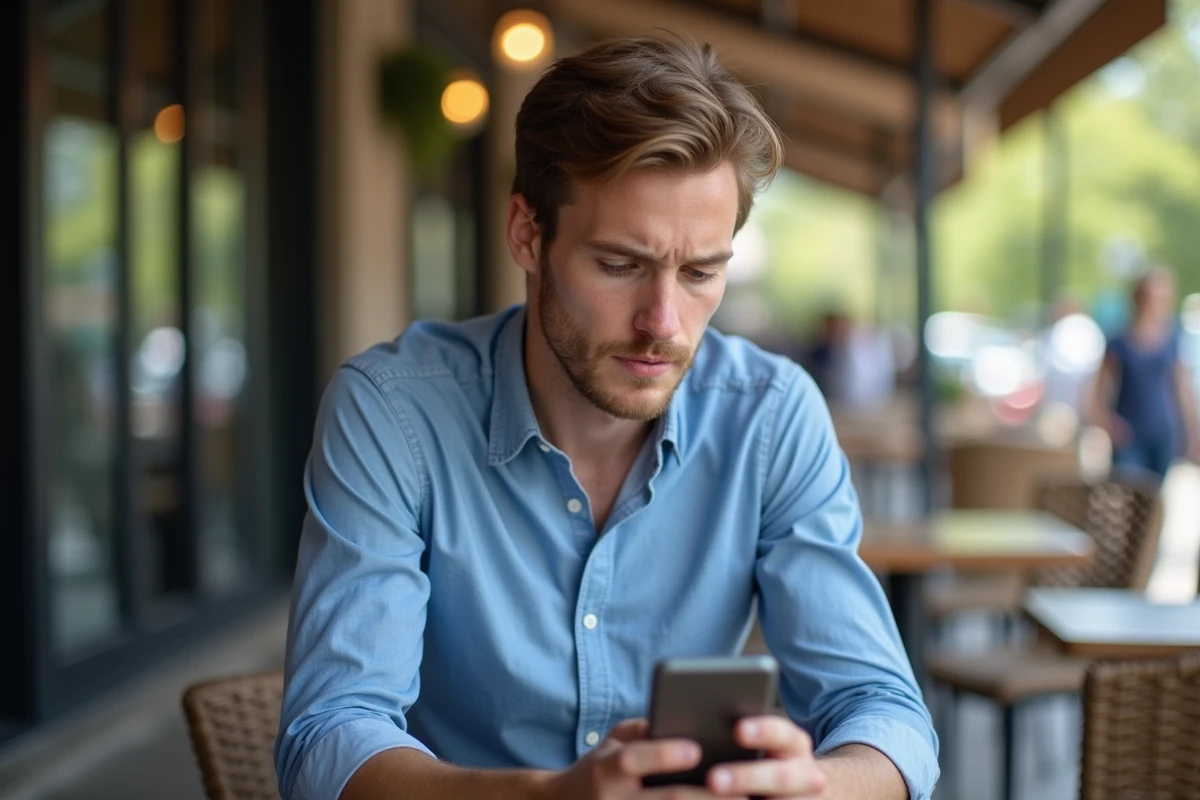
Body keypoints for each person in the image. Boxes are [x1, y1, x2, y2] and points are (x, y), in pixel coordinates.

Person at [275, 35, 938, 800]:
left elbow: (885, 713)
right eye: (621, 265)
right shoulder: (392, 412)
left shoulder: (770, 415)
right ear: (528, 235)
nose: (664, 322)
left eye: (700, 272)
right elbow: (329, 737)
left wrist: (814, 787)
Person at [1088, 266, 1200, 480]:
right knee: (1130, 491)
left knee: (1156, 495)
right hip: (1129, 435)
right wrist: (1107, 424)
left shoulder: (1173, 339)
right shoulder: (1119, 342)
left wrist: (1193, 432)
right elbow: (1097, 392)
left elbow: (1182, 388)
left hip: (1163, 433)